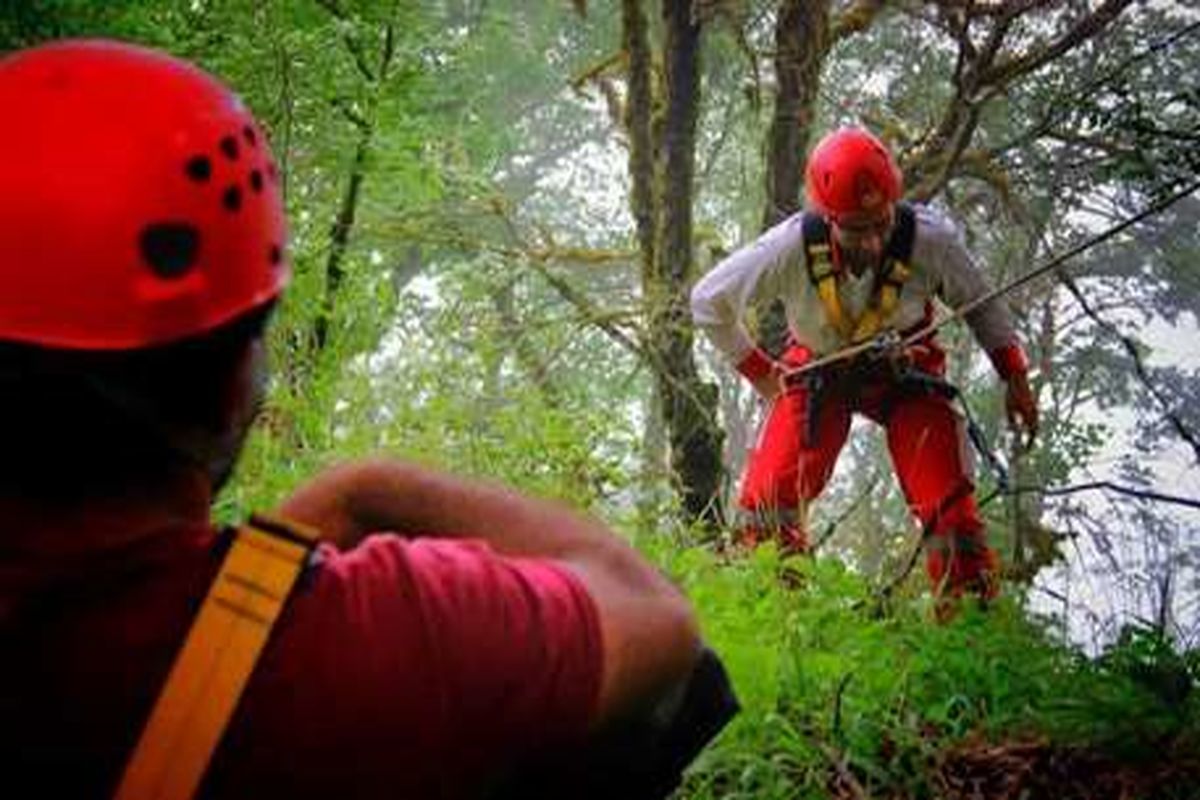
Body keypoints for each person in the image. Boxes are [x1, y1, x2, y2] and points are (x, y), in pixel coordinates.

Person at [0, 40, 733, 799]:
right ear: (230, 390)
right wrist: (371, 489)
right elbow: (654, 622)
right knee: (686, 692)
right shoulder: (341, 645)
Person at [691, 127, 1038, 606]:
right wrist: (761, 373)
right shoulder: (789, 247)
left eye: (881, 223)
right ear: (828, 217)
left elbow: (982, 306)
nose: (874, 242)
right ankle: (777, 614)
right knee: (767, 505)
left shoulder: (930, 241)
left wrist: (1016, 379)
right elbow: (708, 302)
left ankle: (970, 622)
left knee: (950, 510)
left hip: (906, 376)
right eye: (857, 229)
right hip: (816, 373)